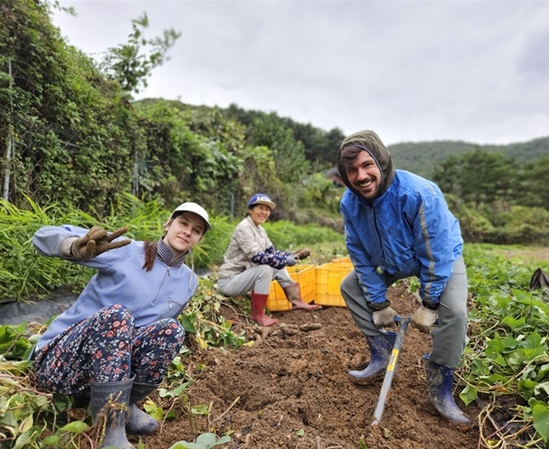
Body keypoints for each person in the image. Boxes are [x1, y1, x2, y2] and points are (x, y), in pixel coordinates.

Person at [31, 202, 211, 449]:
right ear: (168, 225)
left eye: (196, 229)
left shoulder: (189, 282)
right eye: (183, 223)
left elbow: (149, 338)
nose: (188, 231)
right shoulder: (126, 251)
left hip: (101, 376)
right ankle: (110, 428)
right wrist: (72, 246)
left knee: (171, 330)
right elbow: (42, 236)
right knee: (118, 316)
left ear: (198, 239)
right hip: (62, 363)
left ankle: (124, 404)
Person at [336, 130, 471, 430]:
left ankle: (440, 387)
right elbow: (359, 256)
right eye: (352, 170)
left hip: (440, 257)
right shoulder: (350, 204)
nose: (361, 176)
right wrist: (378, 304)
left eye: (367, 165)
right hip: (391, 261)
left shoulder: (419, 193)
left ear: (381, 161)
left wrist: (430, 302)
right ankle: (382, 352)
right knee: (350, 286)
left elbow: (436, 252)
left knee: (456, 312)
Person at [217, 193, 319, 327]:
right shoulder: (244, 228)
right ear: (251, 209)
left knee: (276, 266)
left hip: (243, 278)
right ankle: (257, 314)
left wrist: (293, 255)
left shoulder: (260, 230)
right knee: (265, 268)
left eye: (267, 209)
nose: (264, 212)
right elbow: (257, 257)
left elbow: (272, 252)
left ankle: (296, 301)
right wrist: (284, 260)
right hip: (229, 282)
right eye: (260, 208)